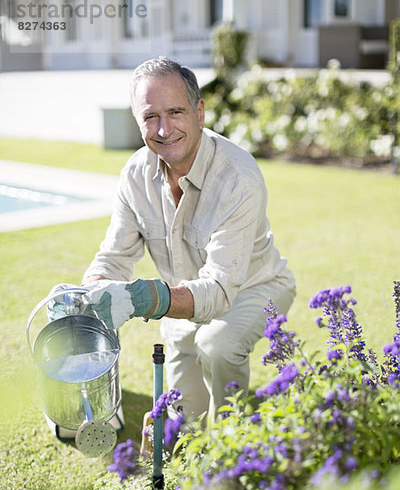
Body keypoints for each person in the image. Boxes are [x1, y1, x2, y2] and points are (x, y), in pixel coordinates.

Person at [60, 56, 296, 422]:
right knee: (180, 429)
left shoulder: (238, 177)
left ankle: (236, 446)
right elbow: (114, 258)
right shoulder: (136, 173)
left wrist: (146, 298)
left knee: (216, 345)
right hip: (183, 305)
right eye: (150, 117)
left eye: (176, 112)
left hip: (253, 288)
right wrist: (89, 293)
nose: (164, 129)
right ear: (137, 120)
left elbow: (218, 292)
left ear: (199, 112)